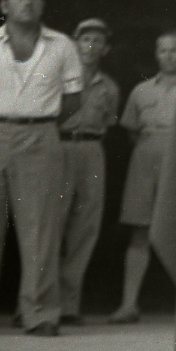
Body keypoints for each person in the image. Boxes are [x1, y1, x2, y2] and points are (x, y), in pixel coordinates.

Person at [0, 0, 84, 336]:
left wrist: (40, 123)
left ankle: (39, 313)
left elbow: (72, 100)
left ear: (43, 3)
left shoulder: (62, 45)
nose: (28, 1)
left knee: (40, 228)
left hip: (40, 136)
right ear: (4, 4)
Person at [109, 28, 176, 324]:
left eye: (175, 50)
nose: (168, 56)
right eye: (162, 50)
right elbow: (131, 131)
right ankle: (129, 304)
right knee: (139, 230)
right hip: (145, 158)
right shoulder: (141, 91)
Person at [55, 18, 120, 325]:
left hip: (92, 149)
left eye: (97, 41)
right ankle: (37, 303)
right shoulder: (60, 78)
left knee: (85, 226)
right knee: (50, 224)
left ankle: (68, 305)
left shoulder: (108, 87)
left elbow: (108, 122)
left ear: (105, 48)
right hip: (59, 147)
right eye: (85, 40)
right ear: (74, 43)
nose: (91, 46)